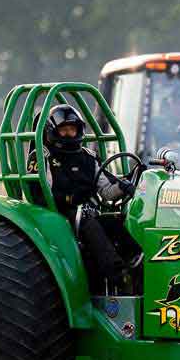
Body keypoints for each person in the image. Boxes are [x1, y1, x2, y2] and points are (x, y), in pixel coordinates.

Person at [26, 104, 138, 287]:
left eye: (73, 129)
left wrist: (125, 185)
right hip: (56, 214)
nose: (70, 134)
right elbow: (38, 196)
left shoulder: (88, 156)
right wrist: (71, 199)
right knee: (87, 220)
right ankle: (119, 276)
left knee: (117, 220)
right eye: (64, 130)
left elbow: (107, 192)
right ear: (52, 131)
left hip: (87, 212)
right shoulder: (41, 157)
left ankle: (137, 264)